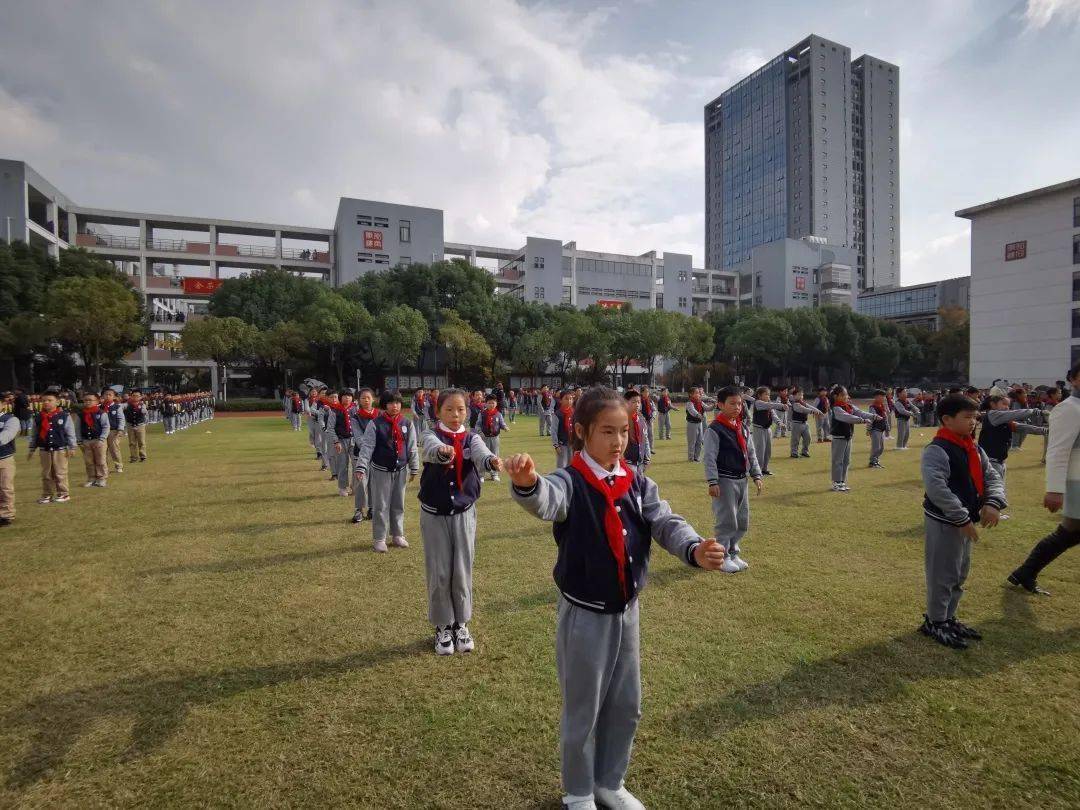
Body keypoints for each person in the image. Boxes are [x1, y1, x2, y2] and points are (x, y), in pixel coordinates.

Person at [505, 385, 726, 810]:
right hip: (584, 615)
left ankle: (609, 781)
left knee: (626, 704)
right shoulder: (571, 481)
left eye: (624, 431)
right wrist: (528, 483)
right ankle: (579, 791)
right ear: (583, 432)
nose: (618, 441)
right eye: (608, 432)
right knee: (583, 709)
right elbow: (547, 501)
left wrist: (694, 548)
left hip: (627, 610)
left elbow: (665, 521)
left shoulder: (636, 480)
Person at [417, 388, 502, 655]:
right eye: (449, 410)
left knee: (462, 569)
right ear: (438, 412)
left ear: (468, 411)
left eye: (461, 409)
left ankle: (461, 623)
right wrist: (443, 451)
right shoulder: (430, 434)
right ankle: (443, 626)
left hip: (464, 512)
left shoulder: (472, 437)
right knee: (440, 571)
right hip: (434, 514)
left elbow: (480, 452)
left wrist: (490, 461)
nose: (456, 415)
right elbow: (430, 450)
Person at [919, 394, 1006, 649]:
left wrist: (993, 502)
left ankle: (948, 617)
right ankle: (935, 621)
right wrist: (962, 518)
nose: (973, 423)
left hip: (966, 520)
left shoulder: (973, 447)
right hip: (945, 522)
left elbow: (992, 477)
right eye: (967, 417)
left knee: (959, 571)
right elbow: (938, 489)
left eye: (975, 417)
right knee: (942, 573)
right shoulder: (937, 450)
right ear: (947, 419)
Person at [1008, 362, 1080, 595]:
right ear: (1073, 379)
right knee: (1070, 531)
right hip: (1077, 480)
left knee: (1071, 532)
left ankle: (1025, 572)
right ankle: (1026, 571)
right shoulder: (1069, 408)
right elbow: (1058, 450)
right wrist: (1055, 489)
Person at [704, 385, 764, 574]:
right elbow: (710, 457)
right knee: (727, 520)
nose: (737, 407)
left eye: (740, 403)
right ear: (721, 405)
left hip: (742, 480)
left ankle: (733, 551)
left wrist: (756, 475)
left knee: (742, 520)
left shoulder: (742, 427)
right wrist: (713, 481)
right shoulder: (715, 429)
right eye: (732, 403)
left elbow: (751, 453)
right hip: (725, 480)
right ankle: (722, 557)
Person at [355, 390, 419, 553]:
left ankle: (397, 534)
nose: (394, 406)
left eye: (397, 402)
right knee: (381, 505)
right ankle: (379, 538)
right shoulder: (375, 424)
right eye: (390, 403)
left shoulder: (407, 423)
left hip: (401, 470)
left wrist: (414, 467)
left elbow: (412, 446)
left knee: (398, 504)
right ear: (384, 405)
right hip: (381, 470)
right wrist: (361, 466)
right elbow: (367, 446)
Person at [977, 393, 1047, 517]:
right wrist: (1034, 411)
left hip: (1000, 460)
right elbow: (1015, 414)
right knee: (992, 487)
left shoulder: (1004, 420)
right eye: (1003, 404)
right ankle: (989, 511)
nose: (1006, 407)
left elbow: (1021, 427)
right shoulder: (993, 414)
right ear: (993, 404)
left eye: (1008, 405)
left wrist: (1043, 431)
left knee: (998, 487)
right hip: (990, 460)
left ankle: (994, 510)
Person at [27, 390, 77, 504]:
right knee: (46, 473)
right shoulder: (38, 417)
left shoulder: (64, 416)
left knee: (60, 472)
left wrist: (72, 447)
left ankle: (63, 494)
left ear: (57, 402)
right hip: (44, 449)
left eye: (50, 400)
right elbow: (34, 434)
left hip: (59, 449)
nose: (46, 403)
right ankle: (47, 495)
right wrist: (32, 448)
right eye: (44, 400)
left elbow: (70, 432)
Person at [828, 386, 874, 492]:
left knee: (846, 461)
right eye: (843, 395)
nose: (846, 397)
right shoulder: (836, 408)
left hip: (848, 436)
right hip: (839, 437)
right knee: (838, 461)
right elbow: (847, 417)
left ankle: (842, 481)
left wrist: (873, 416)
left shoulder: (849, 406)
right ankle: (836, 482)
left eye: (846, 394)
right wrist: (862, 420)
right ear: (836, 396)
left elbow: (860, 412)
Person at [349, 388, 380, 524]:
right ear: (359, 401)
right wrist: (369, 449)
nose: (366, 400)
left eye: (368, 397)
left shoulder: (380, 415)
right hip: (360, 455)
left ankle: (372, 508)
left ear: (373, 399)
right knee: (361, 483)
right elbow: (358, 438)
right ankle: (359, 510)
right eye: (363, 398)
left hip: (377, 456)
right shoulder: (355, 417)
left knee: (374, 483)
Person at [326, 389, 357, 498]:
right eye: (345, 396)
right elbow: (330, 428)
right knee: (342, 465)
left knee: (356, 464)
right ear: (340, 398)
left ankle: (355, 486)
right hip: (341, 441)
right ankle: (343, 488)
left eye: (349, 396)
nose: (347, 398)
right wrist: (336, 441)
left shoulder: (356, 410)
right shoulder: (334, 411)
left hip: (355, 440)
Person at [77, 391, 110, 488]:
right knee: (89, 461)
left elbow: (106, 427)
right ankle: (91, 478)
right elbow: (77, 428)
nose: (88, 402)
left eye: (90, 400)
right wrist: (79, 440)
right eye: (85, 400)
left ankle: (101, 478)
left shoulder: (101, 413)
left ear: (97, 401)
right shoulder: (81, 414)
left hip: (99, 440)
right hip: (86, 441)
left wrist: (102, 439)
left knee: (100, 460)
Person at [750, 386, 785, 476]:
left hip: (767, 429)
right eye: (766, 394)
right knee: (760, 451)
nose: (768, 396)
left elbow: (773, 414)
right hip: (759, 429)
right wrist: (781, 405)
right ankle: (757, 470)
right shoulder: (758, 403)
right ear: (759, 395)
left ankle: (764, 469)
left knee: (767, 451)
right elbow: (769, 405)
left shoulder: (768, 403)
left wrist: (779, 423)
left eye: (769, 394)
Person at [476, 394, 509, 482]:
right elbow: (478, 425)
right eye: (489, 403)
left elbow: (502, 423)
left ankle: (494, 474)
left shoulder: (498, 414)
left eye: (493, 403)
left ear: (496, 403)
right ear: (485, 404)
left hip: (495, 438)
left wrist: (505, 427)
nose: (491, 404)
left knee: (495, 456)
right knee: (483, 455)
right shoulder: (482, 414)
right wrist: (480, 432)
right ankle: (481, 475)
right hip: (484, 438)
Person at [787, 387, 824, 459]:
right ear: (794, 396)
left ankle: (804, 451)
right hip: (796, 424)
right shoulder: (794, 404)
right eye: (799, 395)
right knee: (795, 440)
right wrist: (812, 412)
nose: (801, 396)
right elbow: (803, 409)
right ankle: (794, 452)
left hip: (805, 424)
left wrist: (819, 412)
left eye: (802, 395)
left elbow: (810, 407)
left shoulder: (803, 402)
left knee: (808, 438)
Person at [622, 389, 651, 477]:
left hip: (640, 463)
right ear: (625, 403)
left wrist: (647, 459)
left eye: (639, 402)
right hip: (627, 463)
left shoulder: (641, 419)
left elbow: (645, 440)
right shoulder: (621, 420)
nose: (637, 404)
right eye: (634, 401)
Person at [0, 392, 19, 525]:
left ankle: (6, 514)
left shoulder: (11, 419)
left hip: (4, 458)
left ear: (3, 404)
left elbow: (6, 437)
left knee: (5, 487)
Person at [100, 389, 126, 473]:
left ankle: (118, 466)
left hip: (113, 431)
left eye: (110, 395)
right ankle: (105, 467)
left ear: (114, 396)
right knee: (102, 451)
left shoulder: (117, 406)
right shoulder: (100, 407)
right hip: (102, 432)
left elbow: (121, 418)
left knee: (114, 449)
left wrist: (120, 429)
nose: (107, 396)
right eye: (106, 394)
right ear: (103, 396)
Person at [553, 389, 576, 469]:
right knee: (561, 465)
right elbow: (554, 431)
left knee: (572, 465)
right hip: (562, 444)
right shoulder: (558, 414)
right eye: (566, 398)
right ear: (561, 400)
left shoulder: (574, 413)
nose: (569, 401)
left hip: (572, 444)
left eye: (571, 399)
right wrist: (556, 445)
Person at [124, 390, 149, 463]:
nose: (135, 397)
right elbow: (121, 407)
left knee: (141, 442)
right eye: (133, 396)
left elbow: (145, 412)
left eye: (137, 396)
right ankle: (134, 457)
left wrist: (143, 411)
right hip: (130, 425)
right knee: (132, 442)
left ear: (141, 397)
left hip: (140, 425)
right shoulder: (127, 405)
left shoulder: (142, 405)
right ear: (131, 397)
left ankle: (143, 456)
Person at [867, 390, 890, 468]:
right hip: (875, 429)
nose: (884, 398)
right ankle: (872, 462)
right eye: (882, 396)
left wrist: (887, 427)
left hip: (881, 430)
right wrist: (868, 429)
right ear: (876, 397)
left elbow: (885, 418)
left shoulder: (882, 406)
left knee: (881, 448)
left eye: (884, 396)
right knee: (876, 447)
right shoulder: (872, 407)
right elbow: (870, 418)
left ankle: (876, 461)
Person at [685, 386, 707, 462]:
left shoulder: (700, 402)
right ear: (691, 394)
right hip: (692, 424)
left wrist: (714, 405)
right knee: (692, 442)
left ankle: (696, 457)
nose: (699, 394)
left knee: (699, 441)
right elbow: (692, 411)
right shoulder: (689, 403)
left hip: (699, 423)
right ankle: (691, 458)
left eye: (699, 393)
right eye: (697, 393)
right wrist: (698, 415)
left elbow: (707, 408)